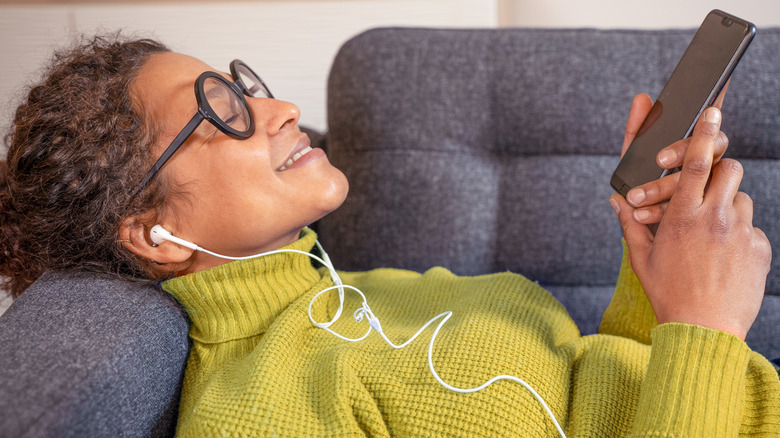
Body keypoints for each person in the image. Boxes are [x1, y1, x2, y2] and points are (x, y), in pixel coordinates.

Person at [1, 34, 778, 437]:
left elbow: (597, 398)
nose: (279, 112)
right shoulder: (253, 413)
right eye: (221, 112)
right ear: (154, 233)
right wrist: (702, 329)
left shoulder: (369, 296)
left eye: (247, 89)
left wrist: (652, 270)